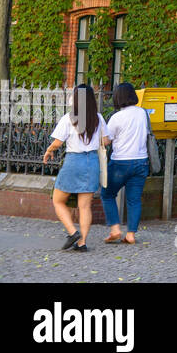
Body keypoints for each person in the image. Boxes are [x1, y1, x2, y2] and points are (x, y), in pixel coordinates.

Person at [42, 84, 108, 252]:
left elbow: (58, 142)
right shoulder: (98, 118)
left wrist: (49, 151)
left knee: (58, 200)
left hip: (74, 161)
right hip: (92, 162)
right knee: (85, 206)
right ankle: (82, 243)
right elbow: (106, 141)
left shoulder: (69, 118)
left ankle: (72, 232)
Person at [100, 83, 151, 245]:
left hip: (120, 162)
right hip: (141, 161)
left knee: (107, 194)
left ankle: (115, 229)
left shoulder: (116, 118)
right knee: (134, 199)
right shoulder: (143, 113)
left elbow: (106, 141)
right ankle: (131, 235)